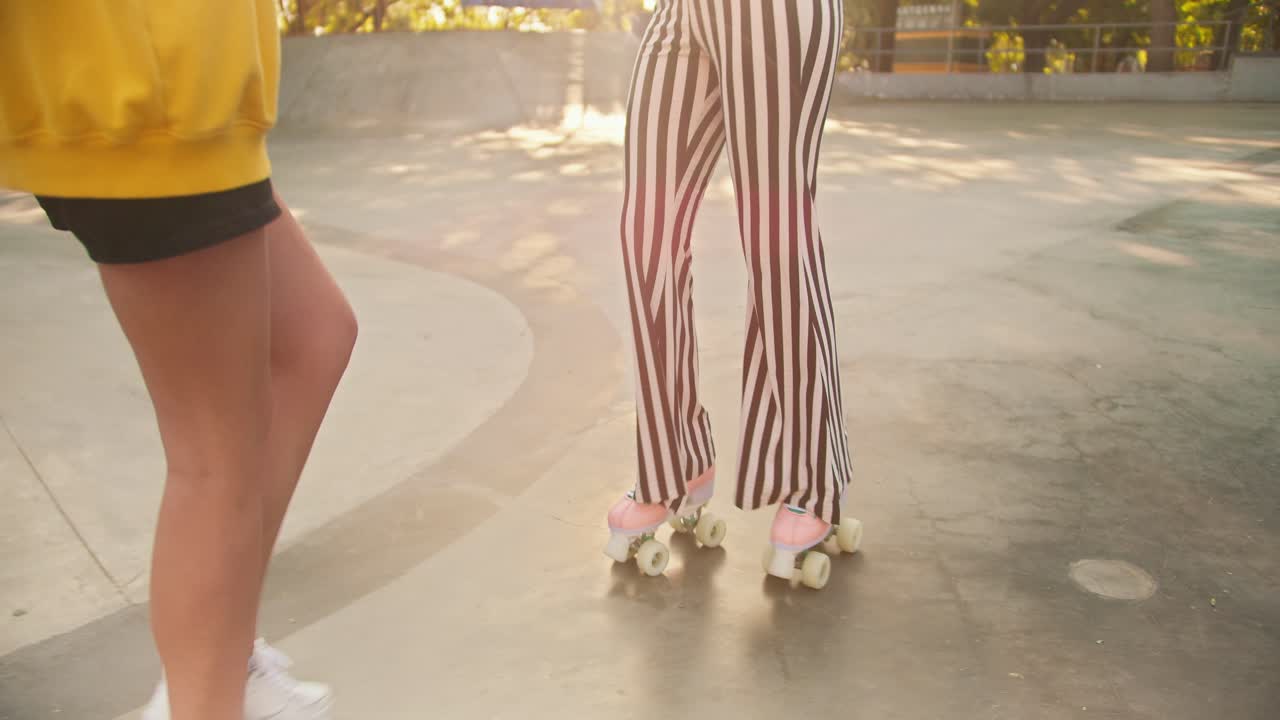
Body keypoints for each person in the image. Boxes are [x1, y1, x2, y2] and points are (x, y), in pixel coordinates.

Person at [0, 3, 355, 718]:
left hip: (174, 90)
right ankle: (204, 699)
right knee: (216, 456)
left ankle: (221, 662)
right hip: (146, 91)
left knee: (314, 337)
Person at [603, 0, 863, 590]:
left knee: (775, 233)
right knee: (647, 232)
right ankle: (675, 464)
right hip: (682, 13)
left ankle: (811, 475)